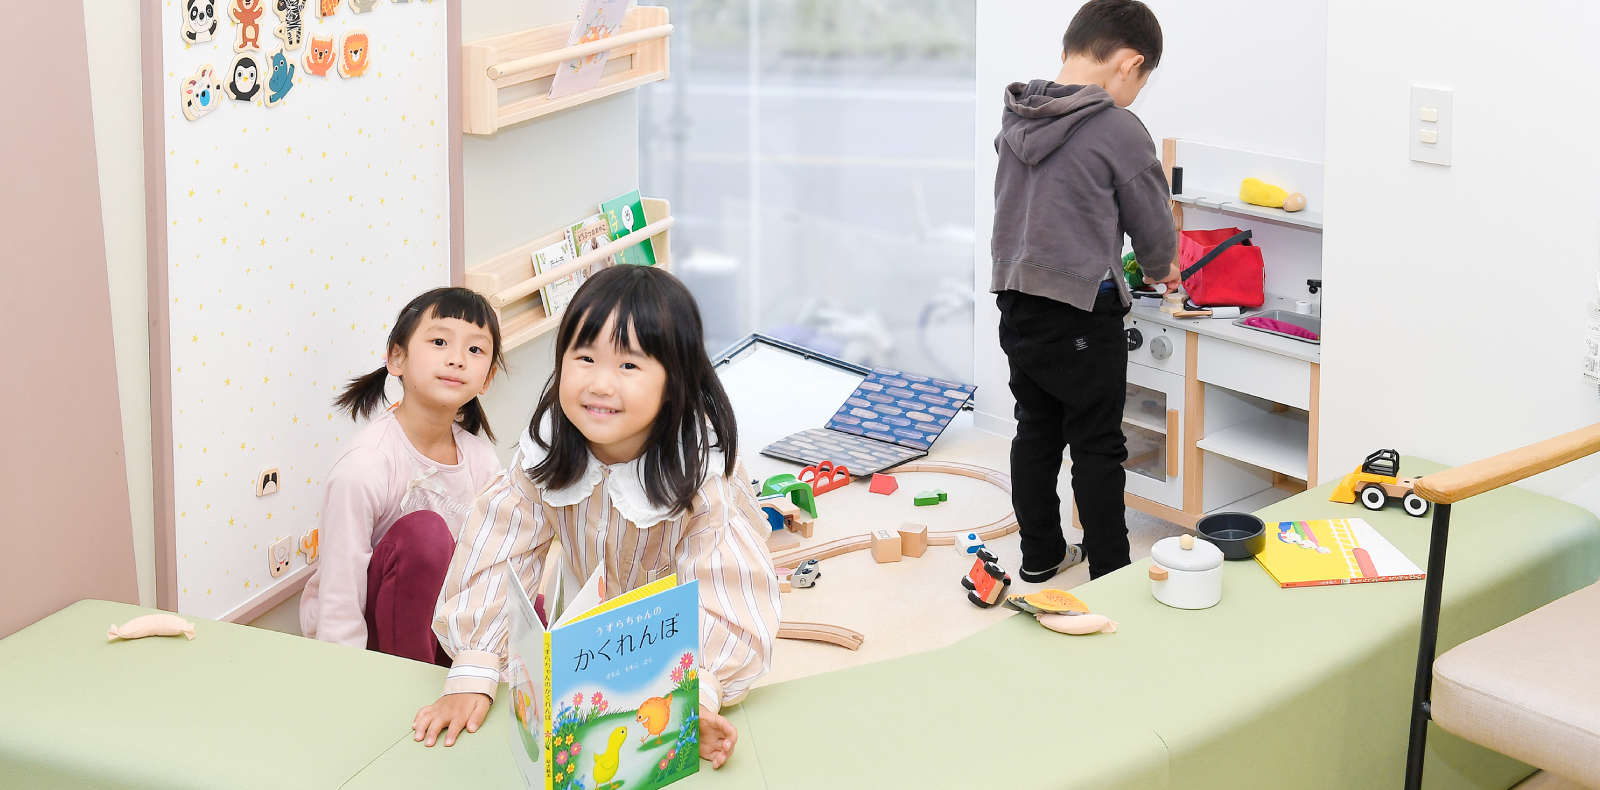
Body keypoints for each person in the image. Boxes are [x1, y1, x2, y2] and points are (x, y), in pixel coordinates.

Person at [412, 265, 780, 771]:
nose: (600, 384)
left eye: (628, 365)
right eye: (584, 358)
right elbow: (496, 551)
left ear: (675, 380)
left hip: (674, 640)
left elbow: (724, 594)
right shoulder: (545, 450)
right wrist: (474, 669)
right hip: (587, 632)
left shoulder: (700, 474)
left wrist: (696, 694)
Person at [990, 0, 1178, 583]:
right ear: (1130, 63)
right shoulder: (1117, 128)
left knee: (1035, 429)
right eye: (1141, 82)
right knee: (1097, 444)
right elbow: (1150, 216)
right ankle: (1113, 575)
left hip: (1016, 296)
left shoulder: (1018, 115)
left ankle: (1041, 556)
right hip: (1079, 308)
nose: (1134, 95)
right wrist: (1163, 269)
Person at [299, 288, 505, 664]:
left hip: (437, 625)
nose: (457, 359)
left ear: (487, 378)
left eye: (475, 349)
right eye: (439, 342)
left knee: (531, 606)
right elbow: (341, 589)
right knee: (425, 535)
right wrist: (342, 673)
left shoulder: (482, 461)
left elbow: (487, 573)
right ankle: (413, 682)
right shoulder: (365, 465)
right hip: (371, 642)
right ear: (397, 358)